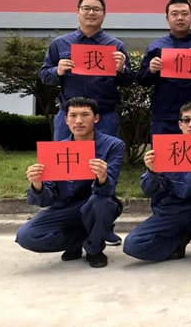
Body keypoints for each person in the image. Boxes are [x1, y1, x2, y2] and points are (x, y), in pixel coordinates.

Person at [15, 97, 125, 268]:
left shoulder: (113, 145)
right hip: (64, 208)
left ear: (96, 118)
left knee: (101, 202)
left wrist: (102, 176)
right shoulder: (56, 150)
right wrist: (37, 184)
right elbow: (47, 199)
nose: (78, 121)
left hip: (96, 204)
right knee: (27, 236)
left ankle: (94, 249)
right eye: (73, 115)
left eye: (85, 115)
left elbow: (108, 190)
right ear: (66, 120)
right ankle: (77, 241)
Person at [123, 101, 191, 269]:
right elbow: (148, 190)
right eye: (186, 120)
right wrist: (151, 171)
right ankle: (177, 242)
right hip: (170, 212)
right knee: (132, 244)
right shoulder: (166, 148)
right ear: (180, 124)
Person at [39, 0, 133, 141]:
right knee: (68, 155)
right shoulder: (60, 43)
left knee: (104, 155)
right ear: (78, 12)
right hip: (69, 116)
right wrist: (58, 71)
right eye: (86, 8)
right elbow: (44, 76)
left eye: (96, 9)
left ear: (104, 14)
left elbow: (127, 81)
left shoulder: (116, 46)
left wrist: (121, 69)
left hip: (104, 116)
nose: (91, 13)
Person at [137, 0, 191, 135]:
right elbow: (142, 80)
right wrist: (151, 70)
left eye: (184, 14)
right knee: (162, 150)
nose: (180, 18)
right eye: (174, 14)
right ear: (167, 18)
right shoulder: (156, 47)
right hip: (163, 116)